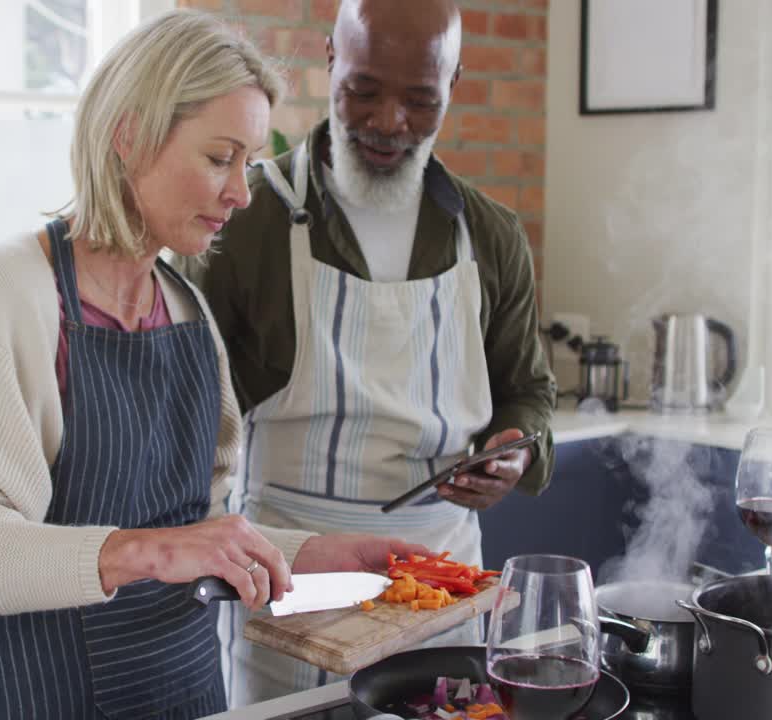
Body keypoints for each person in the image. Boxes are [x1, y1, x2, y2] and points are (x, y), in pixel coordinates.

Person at [0, 9, 428, 719]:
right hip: (30, 697)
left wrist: (314, 554)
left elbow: (194, 529)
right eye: (219, 158)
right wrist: (144, 553)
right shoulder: (5, 294)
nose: (240, 192)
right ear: (130, 135)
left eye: (249, 162)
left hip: (180, 695)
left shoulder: (186, 311)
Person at [185, 0, 558, 705]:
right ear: (330, 59)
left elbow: (528, 393)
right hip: (289, 577)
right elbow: (187, 420)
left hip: (442, 580)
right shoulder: (247, 219)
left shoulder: (492, 237)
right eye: (364, 91)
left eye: (420, 99)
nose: (390, 122)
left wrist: (517, 451)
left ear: (455, 81)